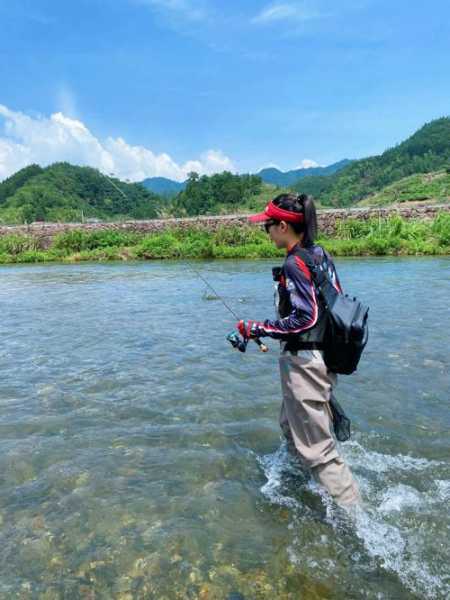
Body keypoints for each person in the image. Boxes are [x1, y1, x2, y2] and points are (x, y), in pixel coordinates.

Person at [238, 193, 360, 508]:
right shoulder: (319, 253)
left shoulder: (294, 263)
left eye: (267, 225)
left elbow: (306, 318)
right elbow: (335, 299)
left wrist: (258, 328)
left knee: (319, 452)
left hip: (305, 361)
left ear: (282, 226)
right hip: (323, 356)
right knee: (288, 424)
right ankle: (303, 479)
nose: (265, 231)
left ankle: (357, 521)